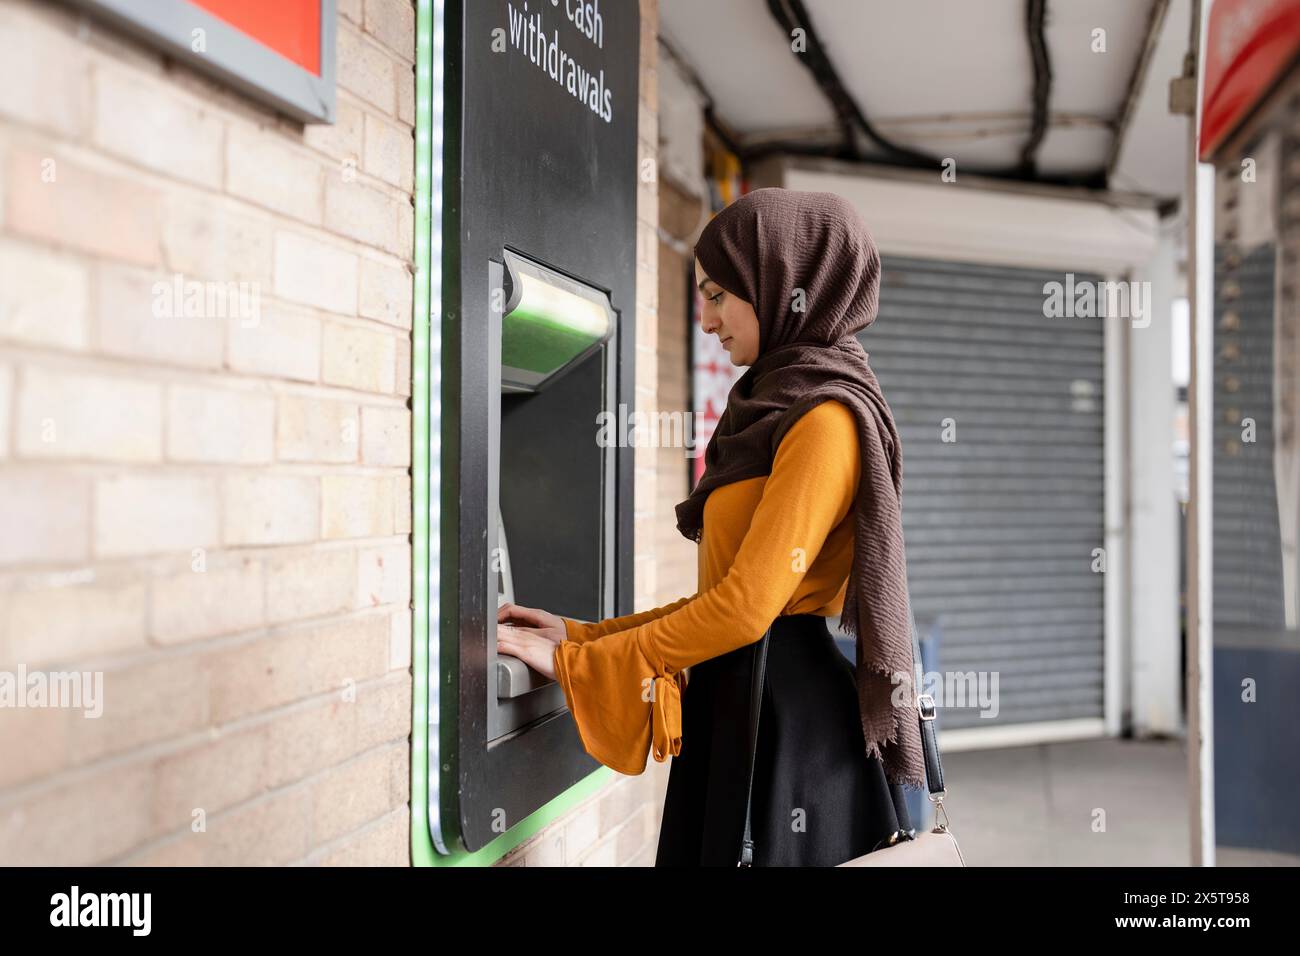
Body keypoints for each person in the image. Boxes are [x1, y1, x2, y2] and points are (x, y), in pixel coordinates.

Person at [496, 187, 927, 866]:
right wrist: (581, 636)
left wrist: (581, 664)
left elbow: (745, 610)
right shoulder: (772, 406)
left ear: (785, 285)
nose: (705, 319)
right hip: (736, 702)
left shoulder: (826, 420)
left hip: (786, 726)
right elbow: (723, 600)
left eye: (720, 295)